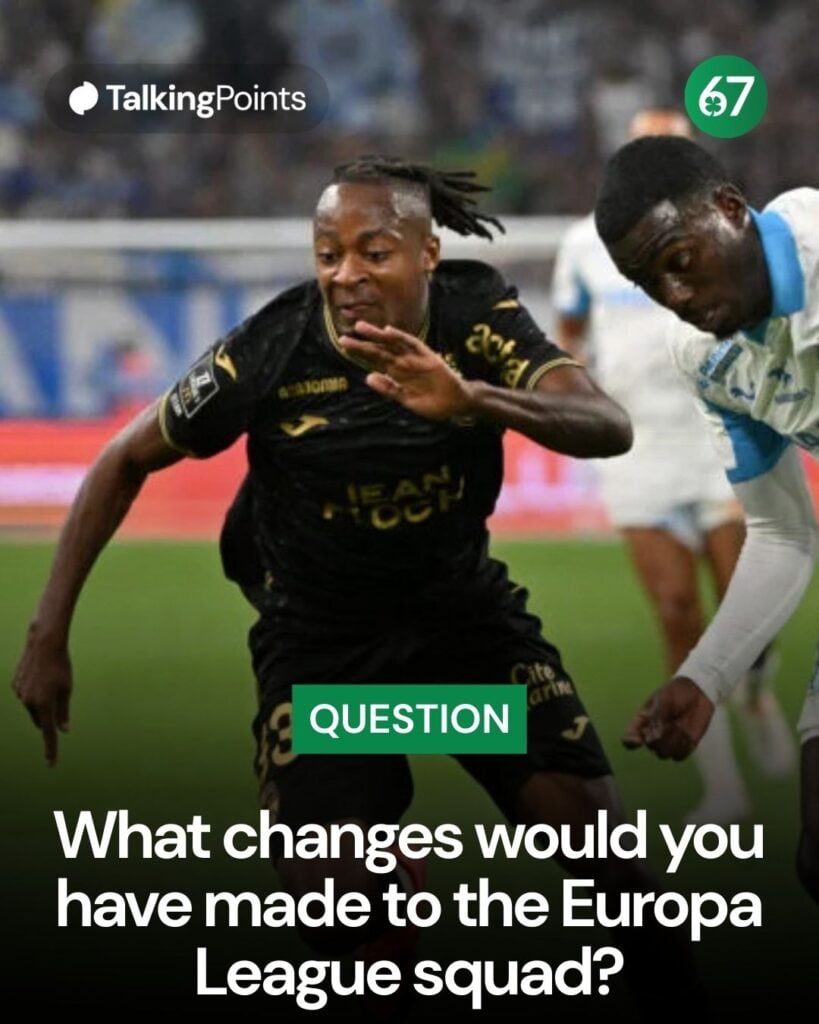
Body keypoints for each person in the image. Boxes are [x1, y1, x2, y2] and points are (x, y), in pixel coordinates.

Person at [12, 157, 704, 1015]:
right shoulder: (269, 348)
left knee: (617, 879)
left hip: (465, 639)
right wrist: (48, 632)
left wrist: (472, 401)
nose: (346, 275)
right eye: (328, 254)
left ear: (427, 255)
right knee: (348, 924)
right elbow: (122, 459)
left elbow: (606, 424)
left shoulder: (474, 312)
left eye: (373, 253)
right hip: (325, 657)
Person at [594, 134, 819, 903]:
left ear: (729, 209)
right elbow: (784, 531)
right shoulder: (707, 356)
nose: (675, 296)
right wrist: (704, 676)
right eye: (648, 282)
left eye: (677, 260)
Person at [552, 109, 794, 825]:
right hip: (637, 452)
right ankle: (722, 788)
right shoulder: (583, 245)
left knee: (743, 603)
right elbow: (567, 330)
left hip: (713, 436)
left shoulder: (751, 243)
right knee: (675, 613)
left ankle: (752, 691)